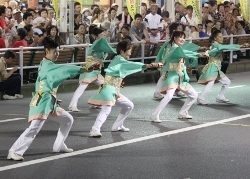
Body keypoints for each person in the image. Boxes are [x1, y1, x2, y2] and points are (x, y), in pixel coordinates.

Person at [7, 37, 99, 161]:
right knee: (34, 128)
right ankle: (14, 151)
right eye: (55, 51)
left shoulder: (45, 64)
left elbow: (61, 69)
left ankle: (59, 145)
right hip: (43, 100)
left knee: (68, 119)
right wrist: (82, 69)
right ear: (47, 51)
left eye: (58, 51)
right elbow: (64, 69)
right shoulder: (48, 66)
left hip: (49, 100)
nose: (57, 53)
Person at [88, 40, 158, 137]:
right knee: (106, 110)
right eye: (129, 50)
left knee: (129, 105)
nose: (130, 52)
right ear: (122, 51)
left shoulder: (119, 60)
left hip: (114, 90)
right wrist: (147, 65)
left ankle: (117, 126)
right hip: (108, 89)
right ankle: (94, 130)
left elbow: (129, 66)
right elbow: (131, 65)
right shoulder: (119, 60)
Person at [150, 31, 207, 123]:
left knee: (194, 95)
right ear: (175, 38)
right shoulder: (174, 48)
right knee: (169, 96)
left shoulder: (178, 48)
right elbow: (185, 53)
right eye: (180, 37)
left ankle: (183, 113)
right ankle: (155, 115)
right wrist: (199, 54)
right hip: (171, 76)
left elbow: (185, 52)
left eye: (184, 37)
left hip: (179, 77)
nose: (183, 39)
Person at [68, 27, 116, 112]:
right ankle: (72, 105)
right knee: (82, 87)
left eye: (104, 32)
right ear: (96, 35)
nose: (104, 34)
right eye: (102, 33)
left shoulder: (99, 42)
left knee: (105, 85)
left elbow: (108, 50)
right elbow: (111, 50)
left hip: (96, 68)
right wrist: (120, 51)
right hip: (91, 67)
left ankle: (95, 103)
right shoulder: (100, 41)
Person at [197, 30, 248, 105]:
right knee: (211, 83)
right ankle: (201, 98)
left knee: (227, 82)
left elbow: (215, 50)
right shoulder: (217, 45)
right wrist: (241, 46)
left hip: (216, 67)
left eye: (222, 36)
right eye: (220, 37)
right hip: (213, 67)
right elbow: (228, 46)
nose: (222, 38)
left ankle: (220, 96)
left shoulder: (215, 45)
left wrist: (208, 52)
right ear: (215, 38)